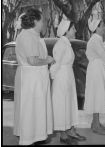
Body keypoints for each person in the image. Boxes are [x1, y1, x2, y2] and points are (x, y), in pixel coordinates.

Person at [13, 8, 54, 145]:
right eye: (42, 21)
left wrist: (45, 58)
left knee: (35, 112)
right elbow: (32, 60)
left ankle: (34, 137)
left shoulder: (33, 35)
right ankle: (29, 139)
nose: (43, 24)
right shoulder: (27, 36)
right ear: (35, 21)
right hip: (30, 81)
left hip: (35, 80)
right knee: (30, 112)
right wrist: (47, 60)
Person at [50, 18, 86, 145]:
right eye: (73, 28)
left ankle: (70, 131)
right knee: (62, 105)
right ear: (66, 31)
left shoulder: (66, 43)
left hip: (67, 77)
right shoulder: (61, 44)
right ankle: (63, 135)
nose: (75, 30)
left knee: (69, 104)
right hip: (62, 78)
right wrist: (54, 79)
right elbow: (56, 63)